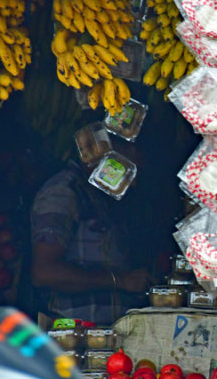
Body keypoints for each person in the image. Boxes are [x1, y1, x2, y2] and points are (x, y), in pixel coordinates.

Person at [30, 134, 152, 325]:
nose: (131, 184)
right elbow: (44, 272)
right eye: (126, 170)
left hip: (106, 334)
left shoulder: (99, 195)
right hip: (74, 334)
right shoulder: (64, 193)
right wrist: (119, 280)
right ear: (99, 152)